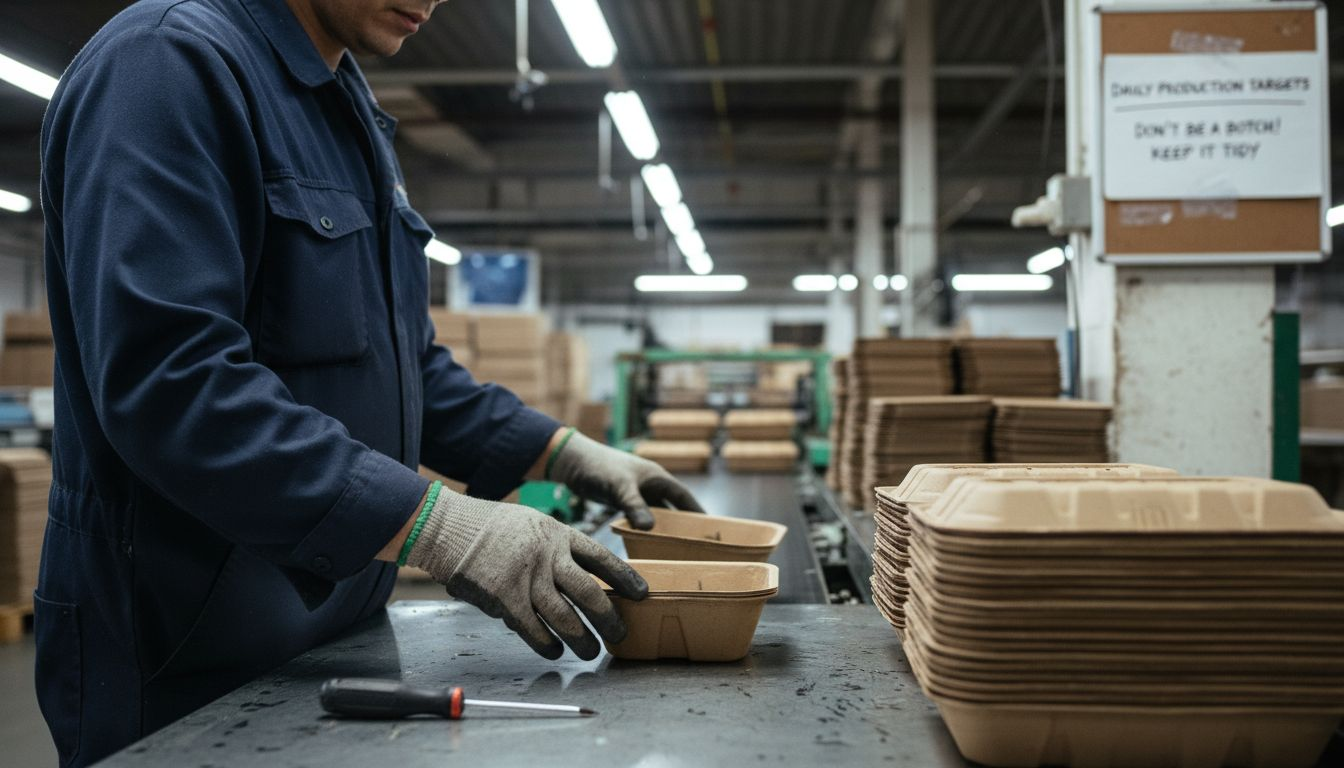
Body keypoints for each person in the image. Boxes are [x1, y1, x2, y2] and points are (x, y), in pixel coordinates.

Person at [34, 1, 704, 765]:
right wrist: (442, 528)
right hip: (185, 651)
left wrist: (561, 449)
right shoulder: (164, 67)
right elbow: (172, 387)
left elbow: (399, 362)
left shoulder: (346, 104)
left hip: (333, 636)